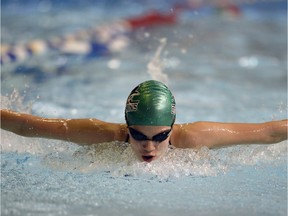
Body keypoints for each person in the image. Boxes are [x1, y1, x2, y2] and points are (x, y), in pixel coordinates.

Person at [1, 80, 287, 162]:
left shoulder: (194, 138)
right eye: (138, 135)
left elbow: (268, 133)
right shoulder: (100, 134)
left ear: (173, 128)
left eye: (160, 136)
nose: (149, 146)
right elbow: (29, 127)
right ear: (126, 125)